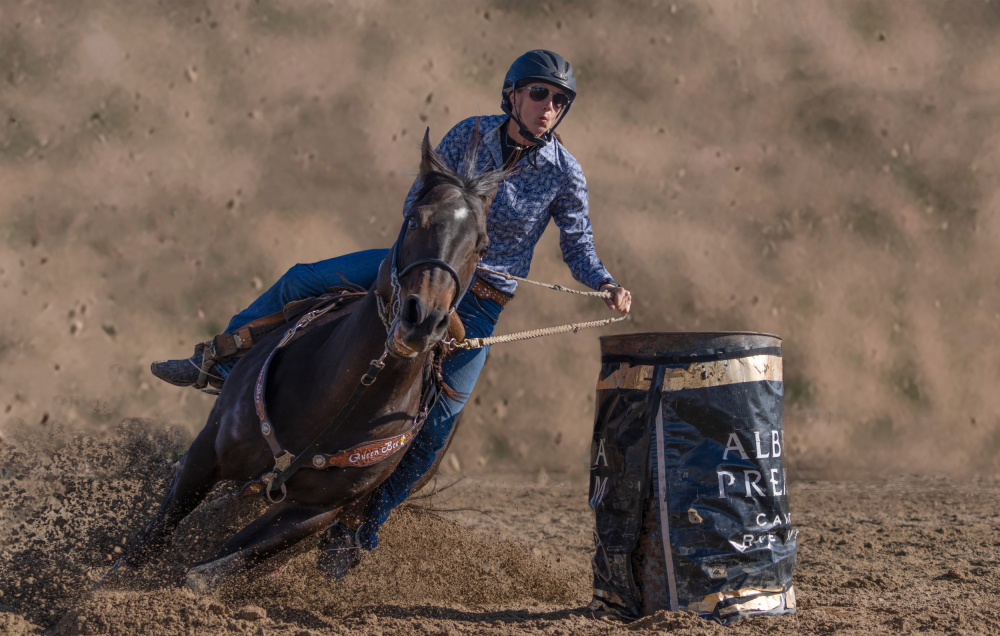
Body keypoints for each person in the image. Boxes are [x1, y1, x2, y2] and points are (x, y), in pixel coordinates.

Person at [151, 49, 631, 577]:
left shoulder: (565, 174)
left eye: (560, 100)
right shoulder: (467, 135)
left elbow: (578, 245)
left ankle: (362, 526)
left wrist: (604, 282)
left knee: (440, 422)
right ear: (513, 94)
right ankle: (216, 361)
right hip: (417, 266)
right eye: (539, 93)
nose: (549, 106)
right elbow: (415, 203)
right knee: (302, 279)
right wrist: (431, 247)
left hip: (482, 296)